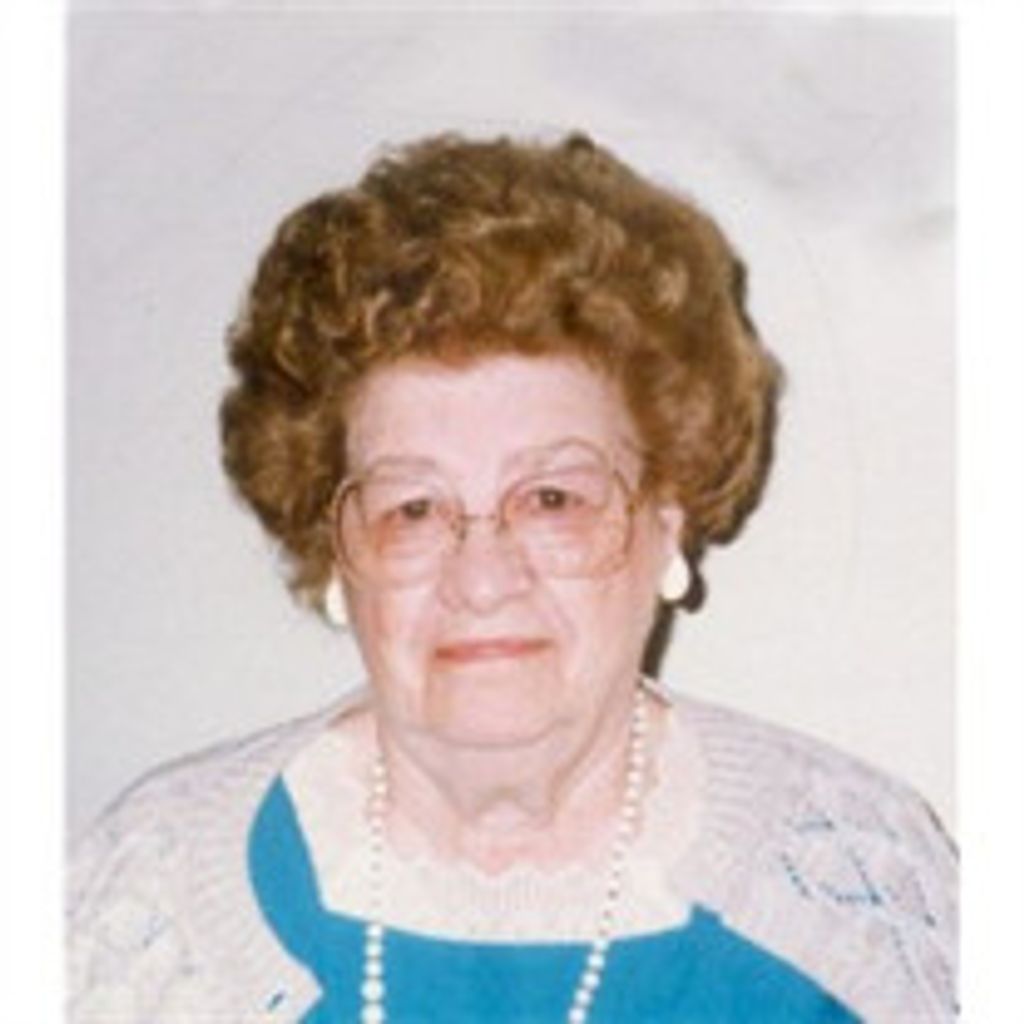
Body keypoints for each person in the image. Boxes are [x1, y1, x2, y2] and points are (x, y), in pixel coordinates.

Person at [67, 133, 956, 1023]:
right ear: (335, 550)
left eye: (553, 499)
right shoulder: (155, 898)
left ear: (667, 524)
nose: (483, 579)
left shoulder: (861, 905)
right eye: (414, 508)